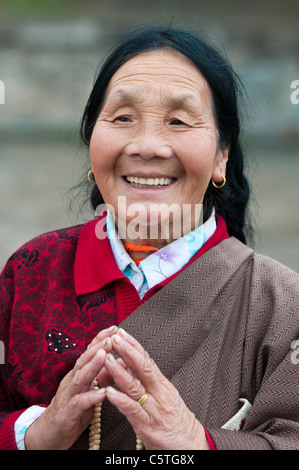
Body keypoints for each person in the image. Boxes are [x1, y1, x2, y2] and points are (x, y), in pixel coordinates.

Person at [0, 25, 298, 451]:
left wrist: (198, 443)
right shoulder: (29, 272)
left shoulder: (282, 304)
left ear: (222, 156)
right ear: (91, 142)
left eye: (178, 121)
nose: (148, 146)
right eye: (122, 118)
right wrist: (33, 435)